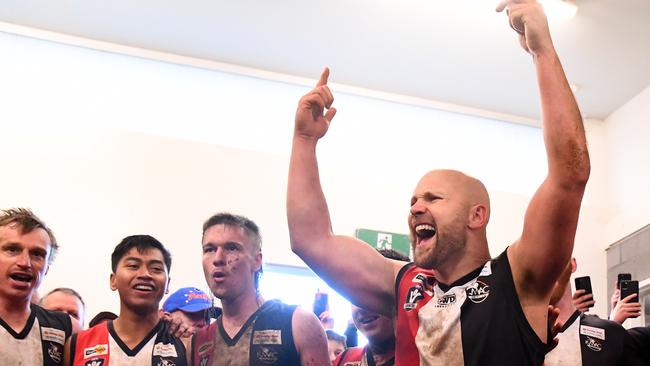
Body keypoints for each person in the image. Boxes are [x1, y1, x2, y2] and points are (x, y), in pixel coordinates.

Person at [287, 1, 590, 365]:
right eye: (414, 200)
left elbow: (569, 175)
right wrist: (304, 141)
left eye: (434, 198)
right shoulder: (405, 286)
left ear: (477, 215)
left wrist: (542, 49)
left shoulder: (518, 277)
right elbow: (311, 240)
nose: (416, 208)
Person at [190, 212, 330, 366]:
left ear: (257, 260)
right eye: (209, 249)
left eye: (231, 248)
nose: (217, 259)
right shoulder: (198, 342)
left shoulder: (299, 324)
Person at [64, 235, 189, 365]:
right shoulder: (77, 344)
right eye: (133, 266)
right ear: (113, 280)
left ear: (167, 284)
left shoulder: (185, 344)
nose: (145, 274)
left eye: (156, 269)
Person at [0, 208, 73, 365]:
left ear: (47, 267)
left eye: (37, 254)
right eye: (12, 249)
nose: (25, 263)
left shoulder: (66, 329)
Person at [545, 259, 636, 366]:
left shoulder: (611, 332)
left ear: (572, 263)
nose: (545, 268)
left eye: (555, 254)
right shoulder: (522, 336)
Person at [334, 249, 409, 366]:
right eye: (355, 296)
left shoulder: (430, 358)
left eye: (373, 294)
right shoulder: (345, 360)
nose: (362, 307)